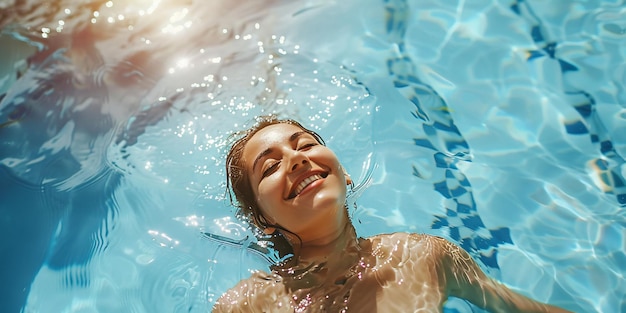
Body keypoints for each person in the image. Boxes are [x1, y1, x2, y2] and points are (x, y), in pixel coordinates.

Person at [213, 115, 572, 313]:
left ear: (343, 174)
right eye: (271, 166)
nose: (297, 159)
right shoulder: (247, 306)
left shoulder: (425, 257)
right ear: (262, 219)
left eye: (306, 145)